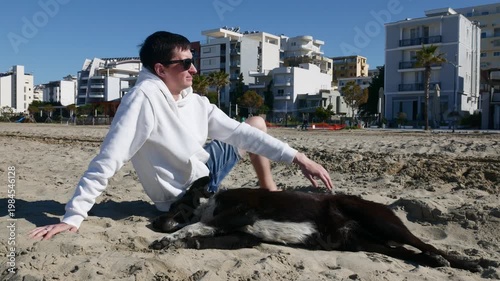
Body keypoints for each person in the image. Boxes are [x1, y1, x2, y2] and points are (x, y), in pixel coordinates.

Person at [29, 31, 333, 240]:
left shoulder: (193, 100)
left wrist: (298, 157)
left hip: (205, 171)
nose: (194, 69)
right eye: (185, 63)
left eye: (193, 61)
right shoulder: (142, 100)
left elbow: (240, 134)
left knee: (254, 124)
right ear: (160, 69)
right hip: (182, 198)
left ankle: (269, 187)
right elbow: (109, 159)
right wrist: (73, 217)